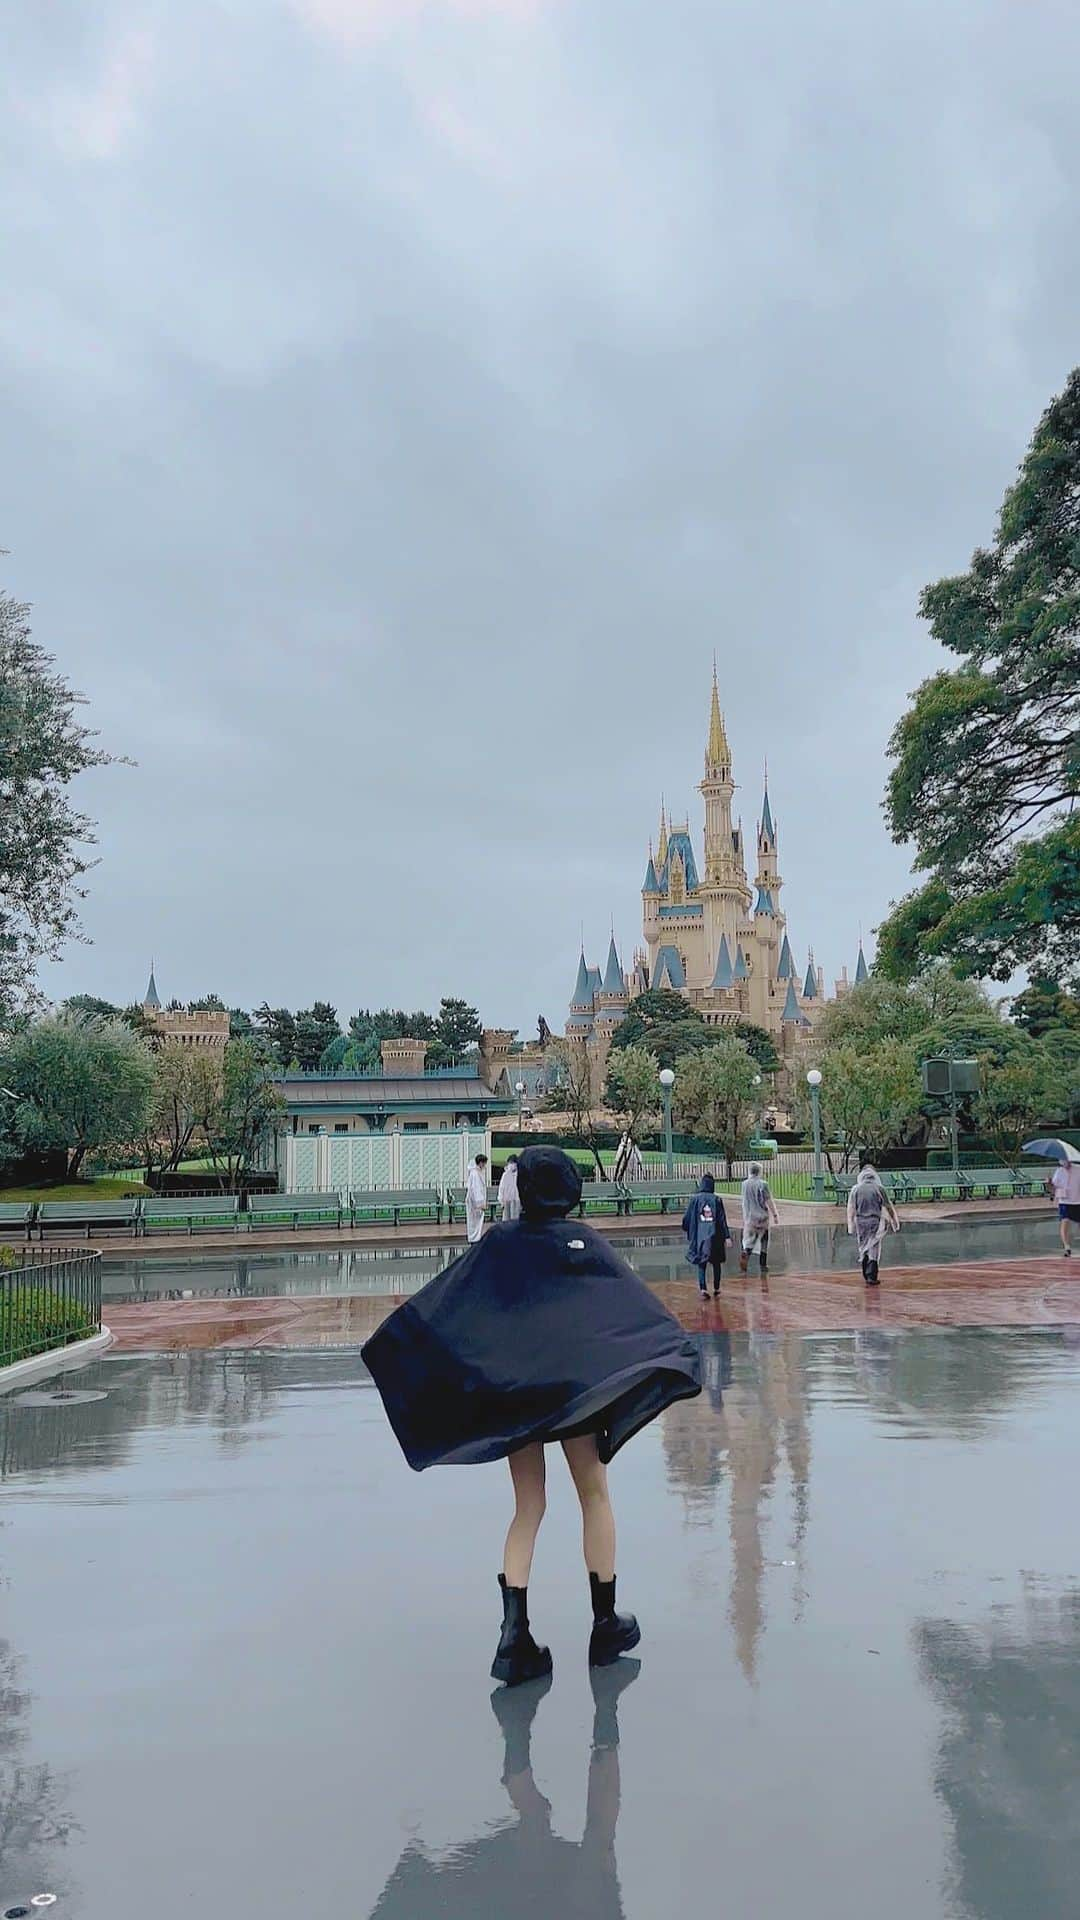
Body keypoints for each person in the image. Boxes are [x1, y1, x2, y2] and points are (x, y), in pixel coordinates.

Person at [361, 1146, 701, 1685]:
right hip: (576, 1395)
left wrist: (397, 1351)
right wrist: (675, 1354)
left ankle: (513, 1639)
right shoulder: (584, 1242)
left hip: (517, 1397)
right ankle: (605, 1622)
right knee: (594, 1493)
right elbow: (632, 1310)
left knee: (529, 1506)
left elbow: (451, 1305)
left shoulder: (499, 1245)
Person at [846, 1162, 900, 1285]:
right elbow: (888, 1206)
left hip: (860, 1222)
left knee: (863, 1246)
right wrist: (894, 1221)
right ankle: (872, 1275)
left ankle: (865, 1271)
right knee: (874, 1247)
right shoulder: (879, 1188)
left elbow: (851, 1208)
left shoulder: (856, 1189)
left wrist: (850, 1224)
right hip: (875, 1221)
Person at [681, 1173, 731, 1298]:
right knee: (716, 1263)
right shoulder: (717, 1199)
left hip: (700, 1235)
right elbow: (722, 1219)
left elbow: (687, 1217)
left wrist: (686, 1228)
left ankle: (703, 1288)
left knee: (701, 1263)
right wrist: (726, 1236)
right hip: (715, 1235)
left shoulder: (695, 1199)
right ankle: (717, 1287)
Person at [739, 1162, 779, 1274]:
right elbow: (768, 1200)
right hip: (762, 1217)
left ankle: (746, 1252)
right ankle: (763, 1264)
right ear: (759, 1172)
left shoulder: (744, 1184)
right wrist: (775, 1214)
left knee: (750, 1240)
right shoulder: (763, 1184)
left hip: (750, 1218)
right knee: (764, 1241)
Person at [1049, 1156, 1080, 1256]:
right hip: (1064, 1200)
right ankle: (1067, 1247)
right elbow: (1053, 1188)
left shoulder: (1078, 1169)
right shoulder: (1059, 1171)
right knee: (1065, 1221)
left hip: (1077, 1200)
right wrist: (1049, 1184)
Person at [465, 1152, 489, 1243]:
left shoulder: (476, 1173)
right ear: (481, 1163)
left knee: (475, 1222)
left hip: (475, 1202)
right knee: (475, 1222)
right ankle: (474, 1239)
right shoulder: (475, 1174)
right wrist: (480, 1203)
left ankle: (475, 1238)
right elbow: (476, 1189)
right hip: (475, 1203)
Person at [498, 1154, 521, 1222]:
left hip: (516, 1200)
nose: (512, 1165)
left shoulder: (519, 1174)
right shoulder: (505, 1174)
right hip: (506, 1200)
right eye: (510, 1163)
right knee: (506, 1219)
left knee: (515, 1219)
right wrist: (501, 1200)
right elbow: (501, 1188)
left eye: (513, 1163)